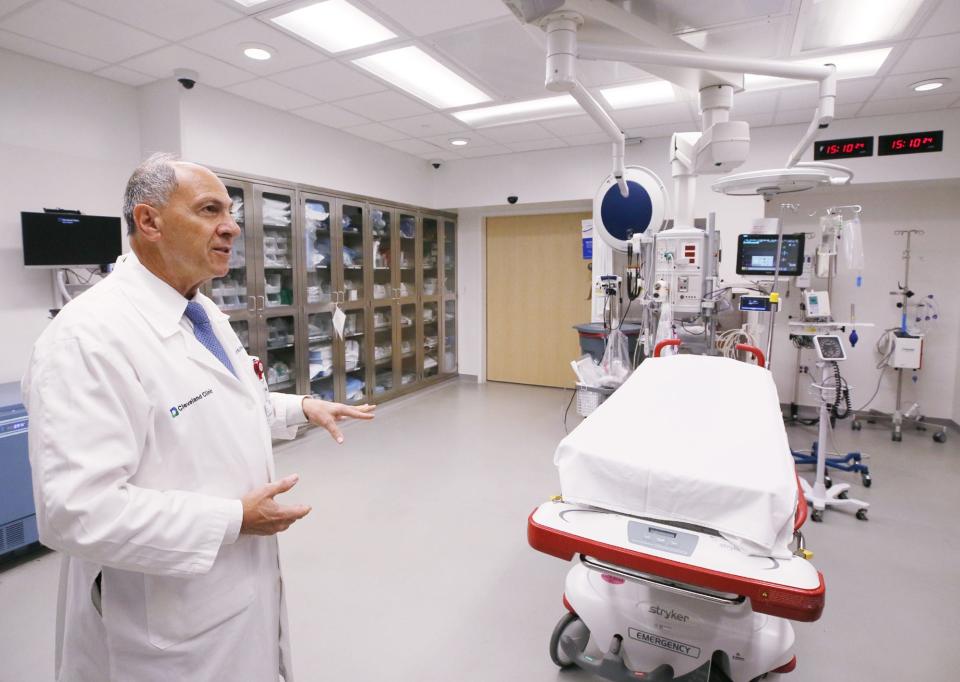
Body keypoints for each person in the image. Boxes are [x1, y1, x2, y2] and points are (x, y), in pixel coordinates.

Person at [21, 153, 375, 682]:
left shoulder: (200, 309)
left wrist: (300, 406)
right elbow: (75, 511)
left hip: (228, 590)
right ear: (149, 221)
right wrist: (233, 520)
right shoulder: (86, 339)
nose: (231, 226)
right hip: (160, 622)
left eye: (231, 212)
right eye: (210, 210)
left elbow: (229, 400)